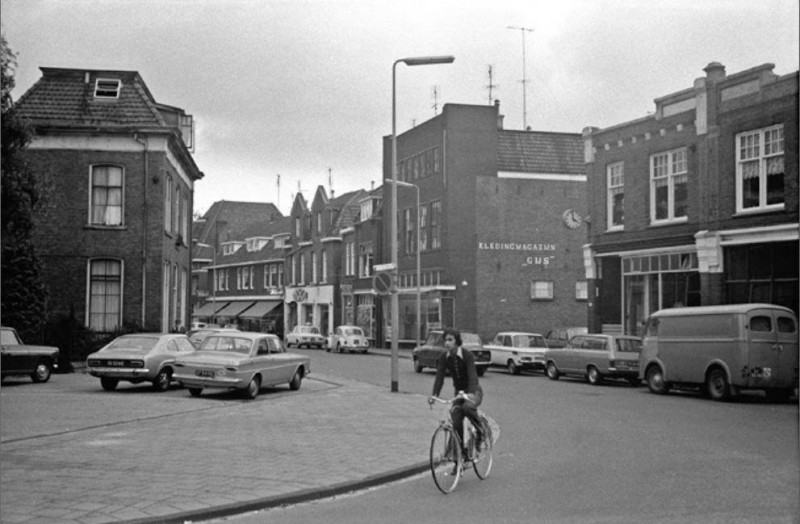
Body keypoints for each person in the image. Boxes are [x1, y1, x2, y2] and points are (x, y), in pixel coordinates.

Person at [428, 328, 485, 456]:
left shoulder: (467, 355)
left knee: (468, 407)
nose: (447, 343)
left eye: (450, 340)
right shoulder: (444, 358)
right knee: (456, 420)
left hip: (474, 390)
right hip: (459, 393)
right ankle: (460, 455)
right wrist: (434, 395)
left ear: (457, 341)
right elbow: (439, 377)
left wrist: (470, 392)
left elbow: (472, 376)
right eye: (445, 340)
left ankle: (480, 432)